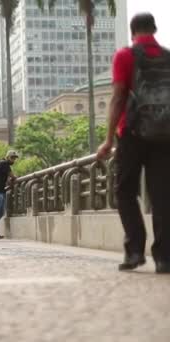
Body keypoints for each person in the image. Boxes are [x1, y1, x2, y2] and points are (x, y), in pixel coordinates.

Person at [97, 13, 170, 274]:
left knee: (125, 190)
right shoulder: (168, 56)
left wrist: (107, 140)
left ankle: (135, 250)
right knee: (163, 194)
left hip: (132, 132)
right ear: (155, 29)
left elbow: (118, 97)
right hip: (165, 136)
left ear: (132, 32)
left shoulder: (126, 56)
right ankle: (165, 258)